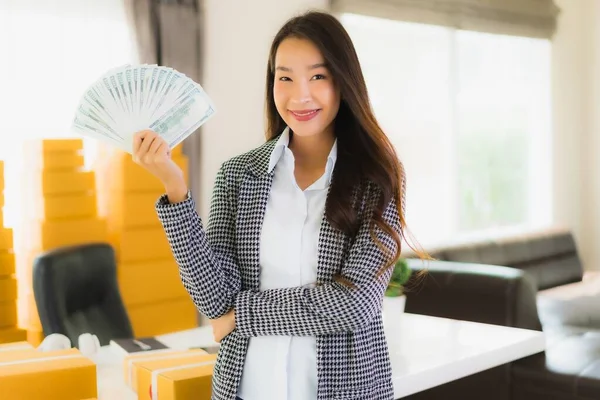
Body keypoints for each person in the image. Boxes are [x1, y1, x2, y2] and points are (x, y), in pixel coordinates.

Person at [132, 9, 426, 400]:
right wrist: (175, 189)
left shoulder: (378, 178)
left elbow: (353, 304)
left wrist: (241, 316)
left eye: (317, 76)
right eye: (284, 77)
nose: (299, 94)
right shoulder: (237, 176)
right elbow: (214, 299)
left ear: (344, 82)